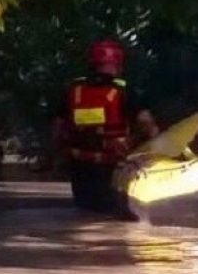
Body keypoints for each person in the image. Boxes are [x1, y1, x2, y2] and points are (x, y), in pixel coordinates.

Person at [55, 39, 159, 211]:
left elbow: (58, 128)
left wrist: (60, 155)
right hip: (112, 167)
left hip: (80, 169)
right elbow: (146, 124)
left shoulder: (74, 91)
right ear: (117, 63)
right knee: (114, 214)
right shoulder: (124, 91)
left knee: (86, 212)